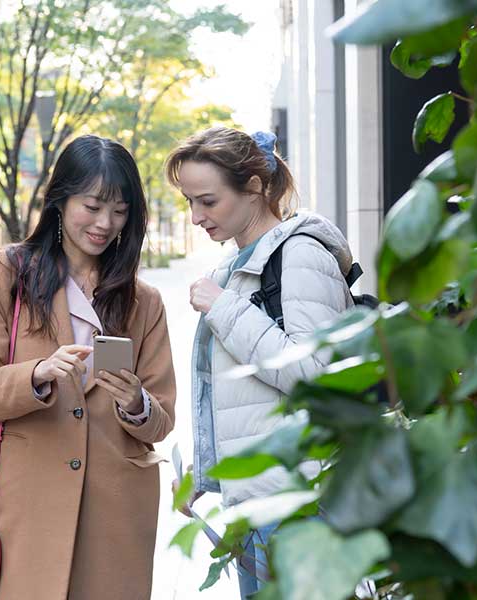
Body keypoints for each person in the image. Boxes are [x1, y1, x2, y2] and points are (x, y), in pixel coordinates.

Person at [0, 135, 176, 600]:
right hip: (30, 500)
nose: (105, 223)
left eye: (119, 211)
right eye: (92, 206)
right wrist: (36, 374)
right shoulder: (10, 273)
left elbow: (161, 419)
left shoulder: (144, 302)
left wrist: (136, 402)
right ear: (60, 200)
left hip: (117, 507)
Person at [165, 126, 355, 598]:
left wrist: (226, 310)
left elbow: (317, 376)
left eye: (207, 201)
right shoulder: (237, 267)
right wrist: (205, 477)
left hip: (299, 506)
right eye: (190, 202)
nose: (196, 217)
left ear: (253, 187)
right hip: (257, 505)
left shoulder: (300, 254)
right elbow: (238, 400)